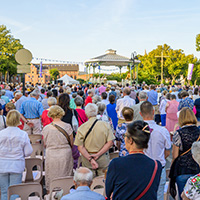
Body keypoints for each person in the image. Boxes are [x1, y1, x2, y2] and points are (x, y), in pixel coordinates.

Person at [106, 120, 162, 200]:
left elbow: (109, 193)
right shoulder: (156, 165)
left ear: (130, 140)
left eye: (125, 136)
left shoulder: (116, 164)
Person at [140, 101, 171, 200]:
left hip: (143, 168)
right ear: (153, 112)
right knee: (159, 195)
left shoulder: (137, 131)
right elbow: (167, 151)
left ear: (141, 114)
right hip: (158, 167)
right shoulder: (163, 131)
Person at [74, 103, 115, 176]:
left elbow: (80, 147)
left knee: (89, 182)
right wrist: (98, 154)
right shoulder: (105, 125)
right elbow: (110, 142)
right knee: (103, 182)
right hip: (103, 158)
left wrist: (90, 159)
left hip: (87, 159)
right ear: (96, 112)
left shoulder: (82, 128)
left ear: (86, 114)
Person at [0, 110, 33, 200]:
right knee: (14, 192)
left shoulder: (1, 134)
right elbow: (28, 152)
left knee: (4, 192)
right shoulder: (23, 134)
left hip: (2, 165)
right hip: (16, 165)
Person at [42, 105, 74, 193]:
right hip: (65, 153)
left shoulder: (46, 128)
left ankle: (51, 195)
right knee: (66, 175)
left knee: (52, 177)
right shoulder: (67, 126)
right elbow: (71, 143)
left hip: (51, 154)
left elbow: (45, 144)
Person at [171, 107, 200, 200]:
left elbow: (175, 155)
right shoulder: (199, 131)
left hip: (182, 169)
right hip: (197, 167)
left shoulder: (178, 133)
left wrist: (172, 168)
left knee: (183, 196)